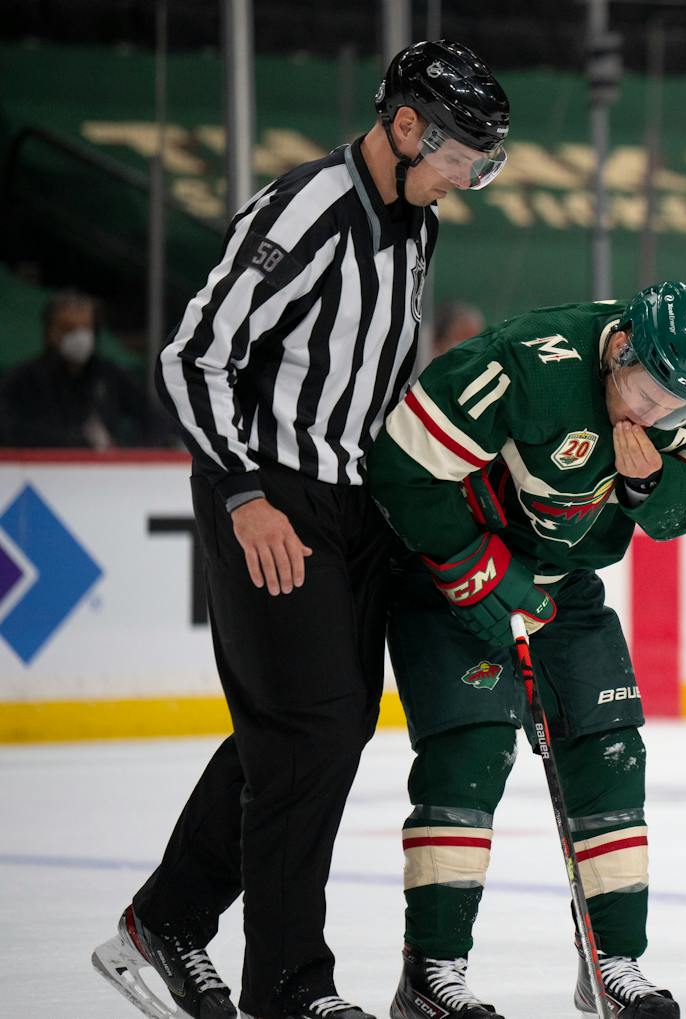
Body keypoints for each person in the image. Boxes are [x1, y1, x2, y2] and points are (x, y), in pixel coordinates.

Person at [90, 40, 510, 1019]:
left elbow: (371, 373)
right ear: (405, 127)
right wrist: (241, 491)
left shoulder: (417, 223)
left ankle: (168, 919)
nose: (467, 179)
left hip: (350, 498)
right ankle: (286, 985)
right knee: (308, 726)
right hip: (269, 494)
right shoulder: (306, 209)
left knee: (317, 726)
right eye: (461, 156)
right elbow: (195, 356)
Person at [365, 280, 686, 1019]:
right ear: (620, 349)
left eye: (677, 408)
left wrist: (649, 483)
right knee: (471, 749)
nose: (655, 414)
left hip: (564, 580)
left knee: (611, 749)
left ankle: (612, 962)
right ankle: (430, 975)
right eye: (646, 392)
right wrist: (479, 572)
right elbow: (399, 465)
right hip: (454, 568)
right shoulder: (525, 364)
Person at [0, 290, 162, 448]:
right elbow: (9, 429)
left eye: (85, 328)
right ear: (50, 332)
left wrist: (137, 453)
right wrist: (75, 441)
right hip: (42, 468)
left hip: (100, 469)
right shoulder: (24, 379)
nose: (79, 336)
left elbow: (153, 417)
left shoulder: (109, 374)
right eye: (69, 328)